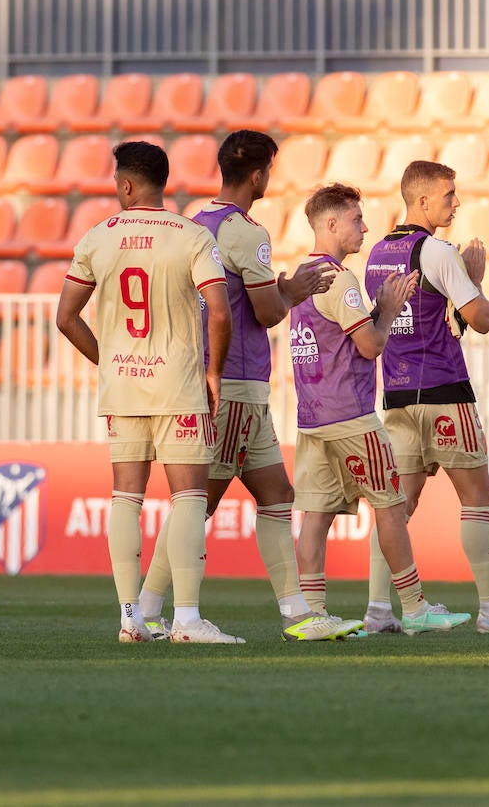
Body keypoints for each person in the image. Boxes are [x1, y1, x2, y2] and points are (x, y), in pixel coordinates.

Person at [135, 130, 360, 641]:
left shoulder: (198, 222)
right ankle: (146, 612)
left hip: (217, 379)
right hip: (235, 384)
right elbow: (264, 311)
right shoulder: (247, 232)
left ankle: (297, 614)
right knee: (199, 501)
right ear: (259, 175)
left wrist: (280, 288)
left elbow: (235, 298)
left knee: (277, 493)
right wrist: (296, 290)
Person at [56, 140, 241, 644]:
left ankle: (129, 618)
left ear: (127, 185)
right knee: (188, 497)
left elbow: (65, 317)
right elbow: (219, 312)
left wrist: (109, 362)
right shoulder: (190, 235)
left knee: (125, 497)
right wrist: (214, 374)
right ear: (164, 184)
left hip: (124, 388)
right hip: (178, 385)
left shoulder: (98, 237)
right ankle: (185, 619)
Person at [362, 160, 489, 636]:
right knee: (479, 496)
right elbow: (480, 319)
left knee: (395, 506)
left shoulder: (377, 253)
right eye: (448, 194)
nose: (456, 202)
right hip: (445, 392)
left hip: (399, 395)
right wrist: (475, 281)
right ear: (422, 200)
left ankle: (379, 610)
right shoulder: (438, 252)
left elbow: (408, 323)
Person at [291, 184, 470, 635]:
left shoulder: (302, 275)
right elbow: (369, 346)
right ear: (331, 224)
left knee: (316, 514)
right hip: (351, 416)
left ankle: (312, 614)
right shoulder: (340, 279)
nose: (365, 227)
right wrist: (388, 309)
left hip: (311, 417)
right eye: (356, 218)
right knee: (391, 508)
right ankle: (413, 606)